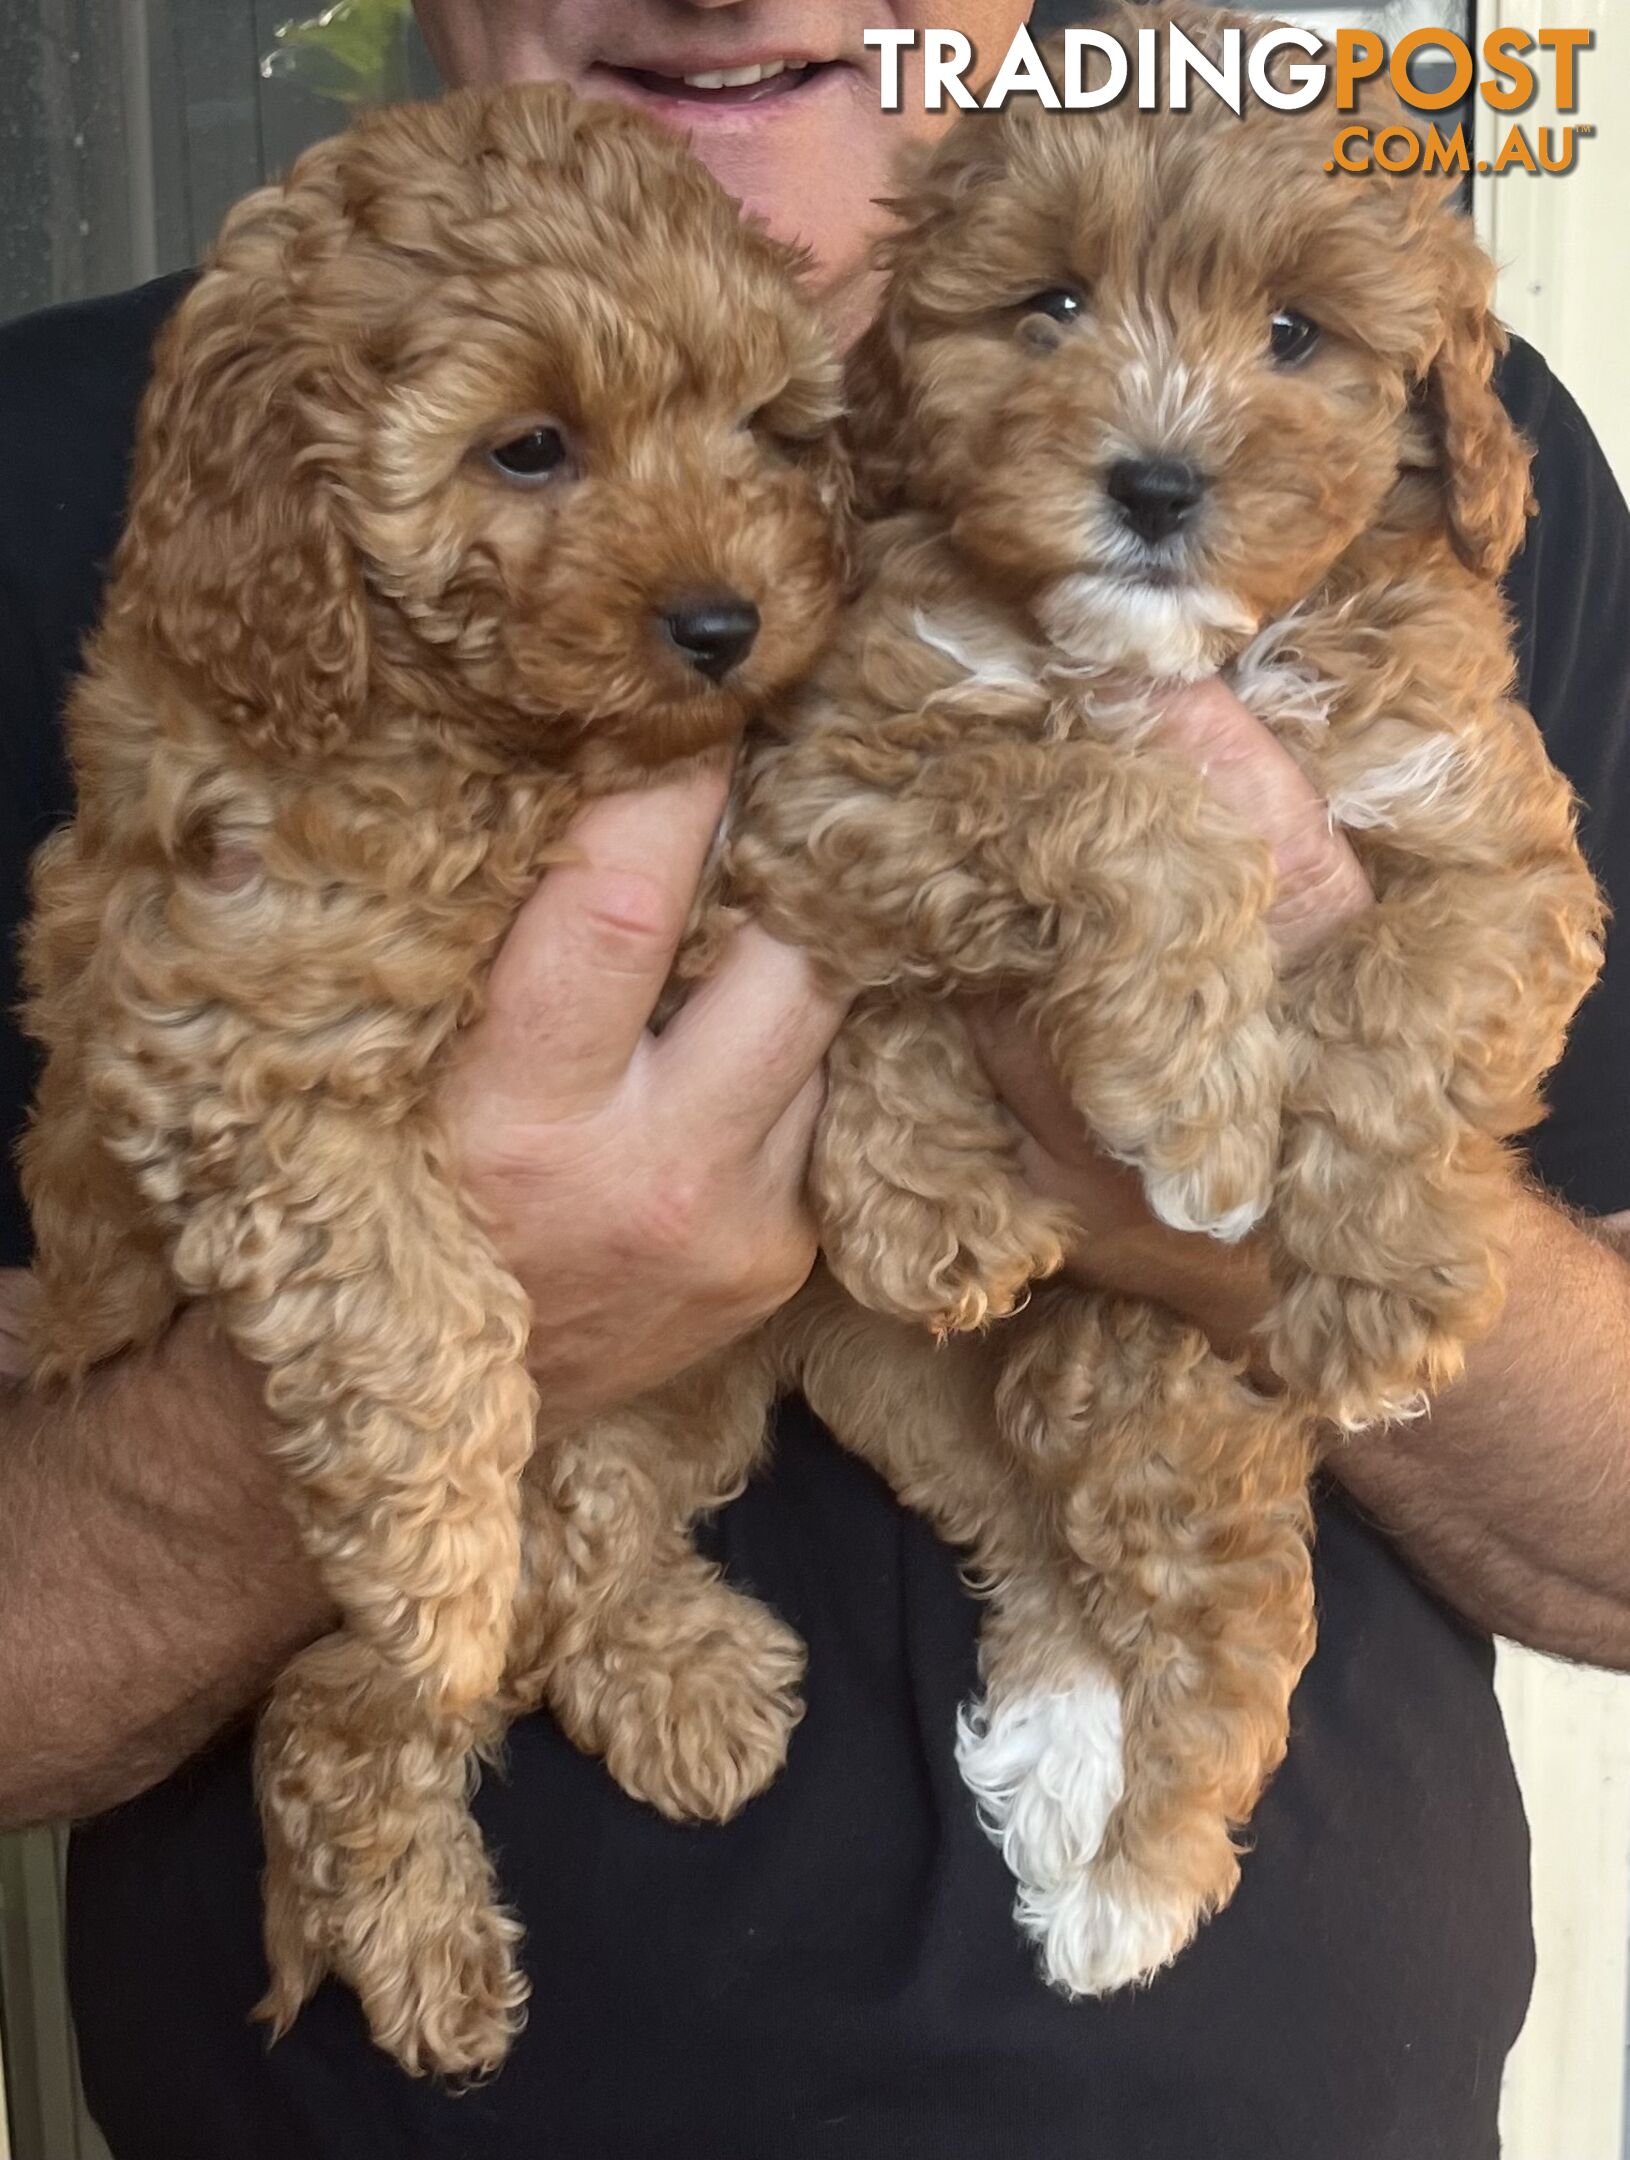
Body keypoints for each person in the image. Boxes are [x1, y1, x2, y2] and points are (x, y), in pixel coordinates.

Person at [0, 3, 1626, 2154]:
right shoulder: (101, 463)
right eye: (530, 449)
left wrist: (1250, 1208)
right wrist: (436, 1350)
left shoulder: (1418, 448)